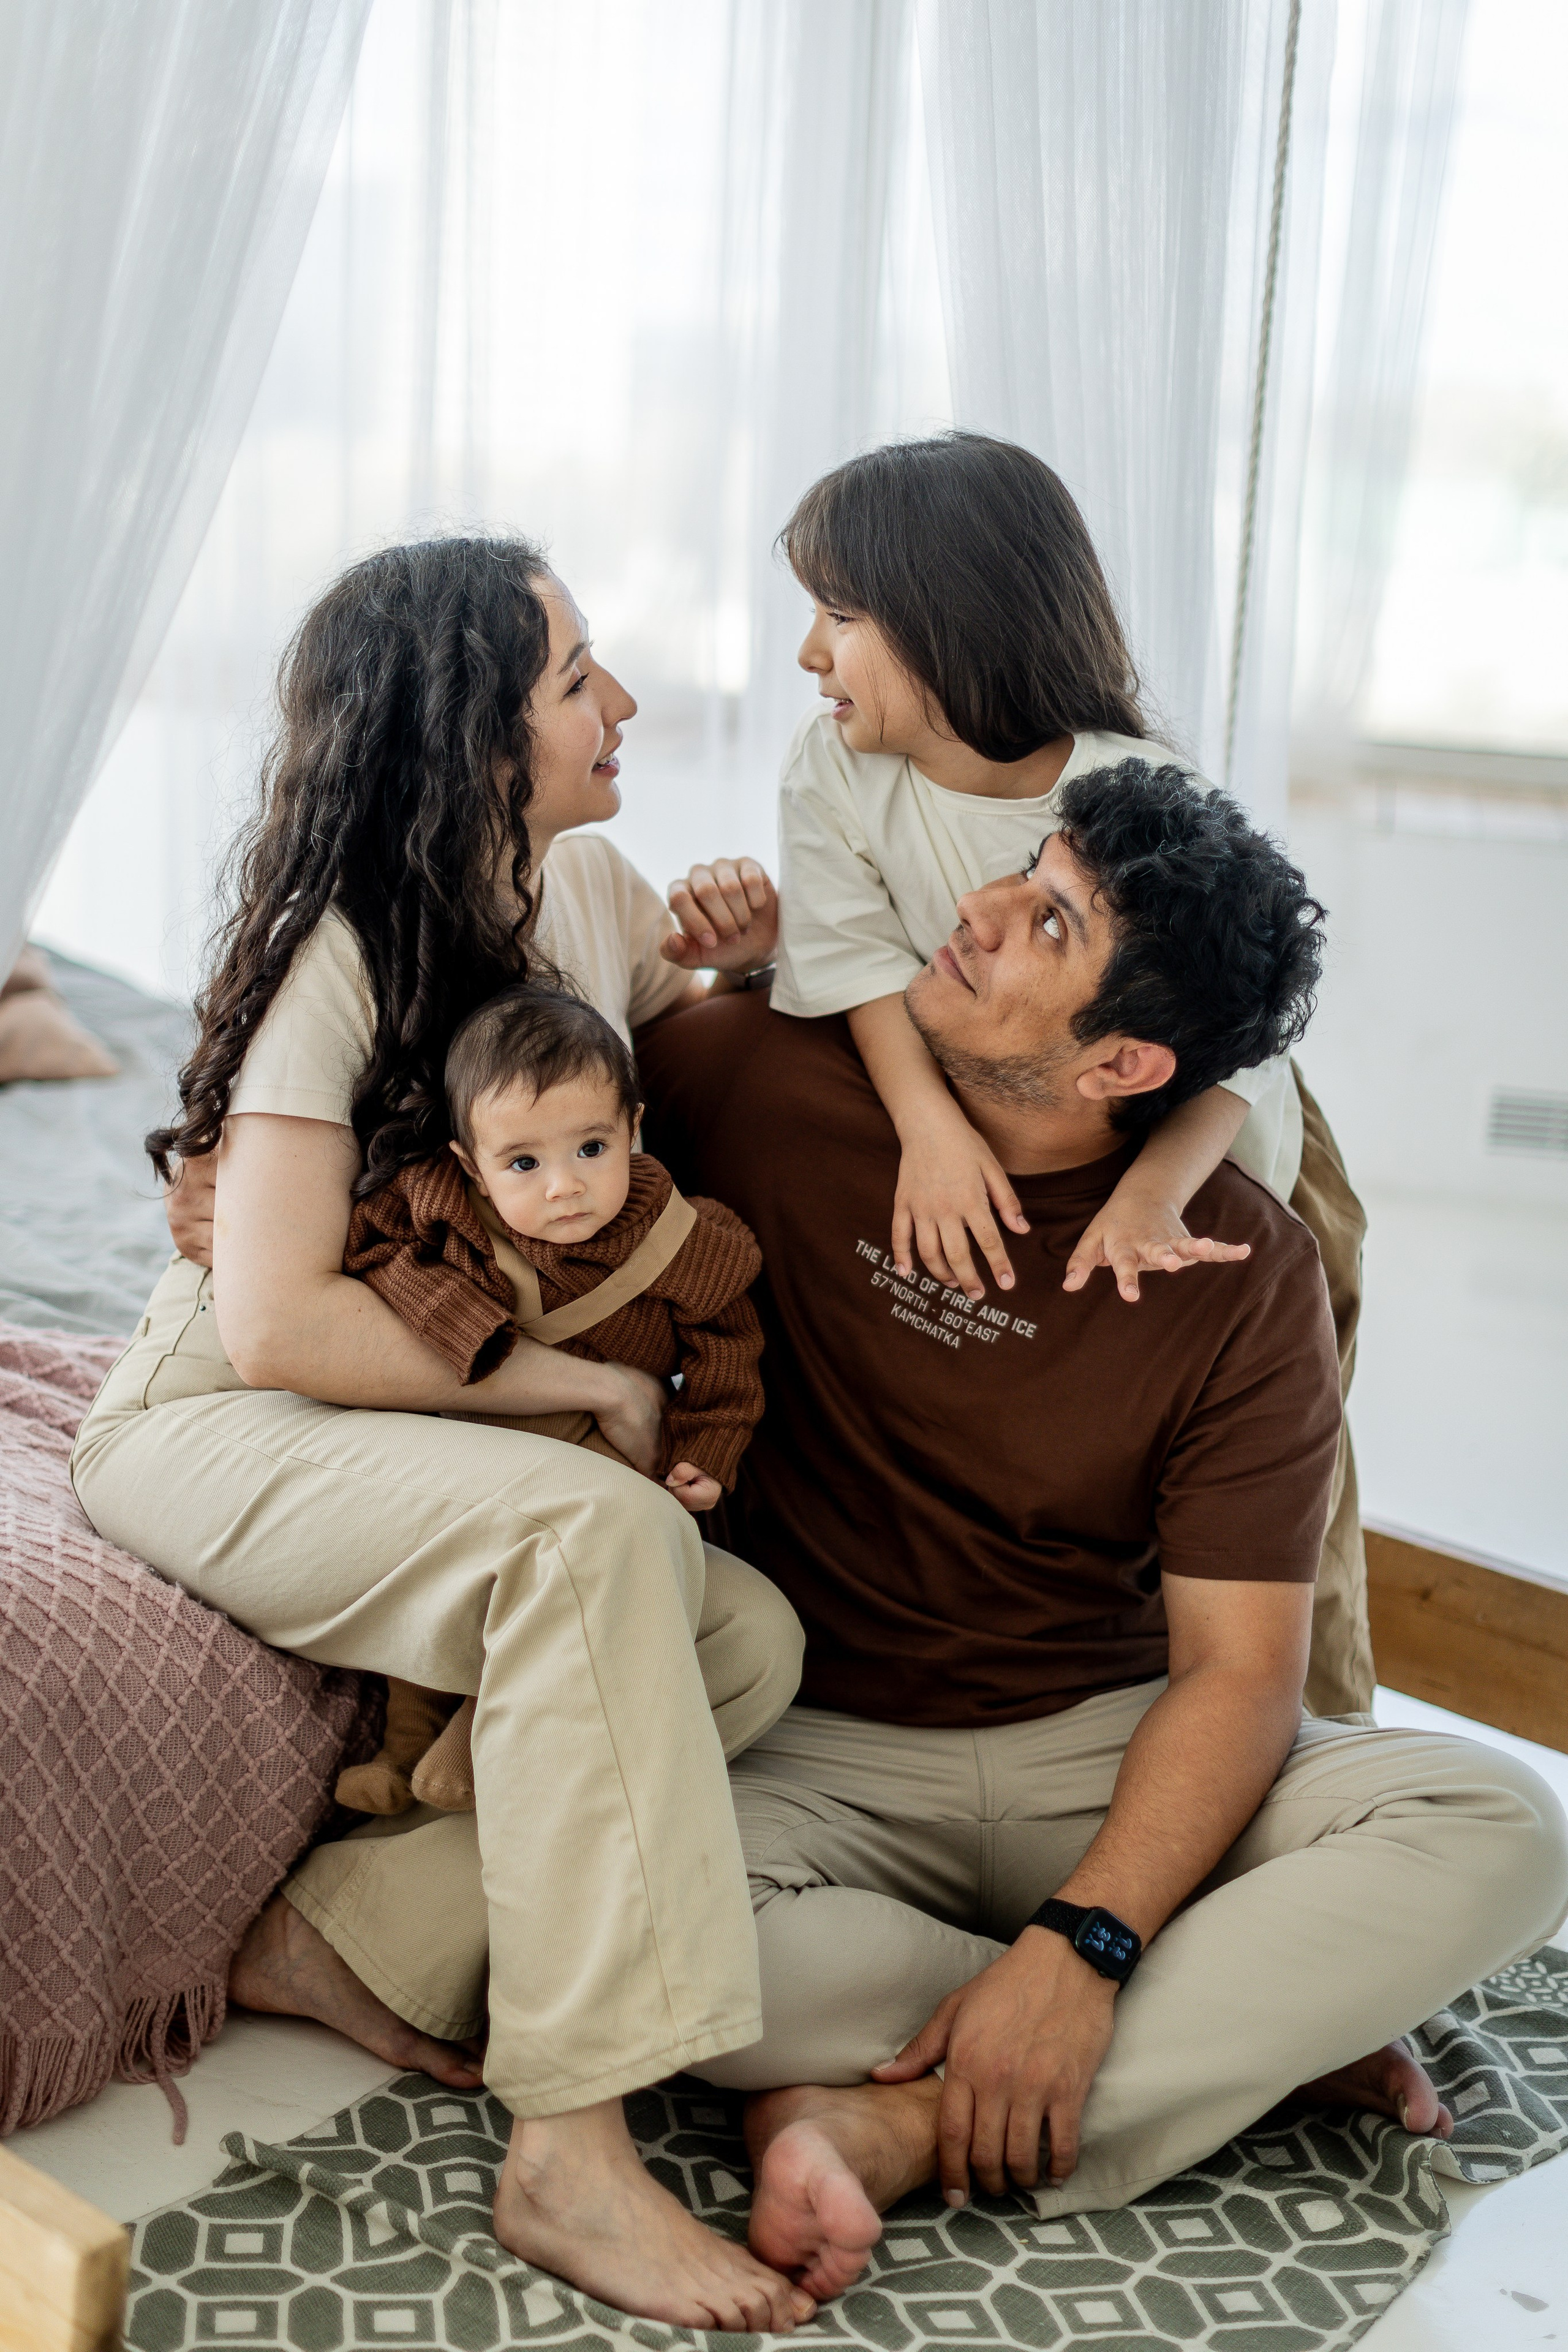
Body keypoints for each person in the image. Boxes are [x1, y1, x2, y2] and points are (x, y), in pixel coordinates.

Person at [637, 763, 1568, 2298]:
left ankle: (917, 2123)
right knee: (627, 1933)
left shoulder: (1238, 1271)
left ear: (1122, 1061)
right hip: (815, 1751)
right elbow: (502, 1120)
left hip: (1110, 1745)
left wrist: (1086, 1944)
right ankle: (1243, 2028)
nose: (978, 911)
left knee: (1504, 1830)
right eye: (1023, 874)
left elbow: (1235, 1674)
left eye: (1045, 919)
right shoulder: (757, 1071)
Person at [70, 537, 815, 2334]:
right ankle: (577, 2142)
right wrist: (581, 1393)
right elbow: (275, 1318)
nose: (621, 706)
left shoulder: (594, 889)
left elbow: (621, 1117)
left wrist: (750, 968)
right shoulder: (342, 954)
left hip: (371, 1408)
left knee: (752, 1640)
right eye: (578, 680)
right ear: (477, 734)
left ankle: (341, 1935)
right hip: (221, 1415)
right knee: (603, 1540)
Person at [758, 431, 1372, 1719]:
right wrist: (927, 1127)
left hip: (1212, 1124)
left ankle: (1300, 1719)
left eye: (840, 614)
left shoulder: (1126, 790)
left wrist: (1155, 1193)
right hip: (998, 1093)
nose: (810, 651)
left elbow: (1239, 1048)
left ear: (947, 626)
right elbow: (856, 966)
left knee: (1273, 1458)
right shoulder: (832, 767)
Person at [335, 980, 767, 1815]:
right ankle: (400, 1751)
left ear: (634, 1129)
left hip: (604, 1445)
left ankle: (482, 1734)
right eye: (524, 1163)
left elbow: (730, 1348)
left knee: (591, 1569)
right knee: (436, 1588)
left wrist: (706, 1455)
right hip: (477, 1432)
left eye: (591, 1150)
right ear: (471, 1165)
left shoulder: (686, 1240)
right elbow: (372, 1246)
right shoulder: (442, 1206)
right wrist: (460, 1321)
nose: (564, 1186)